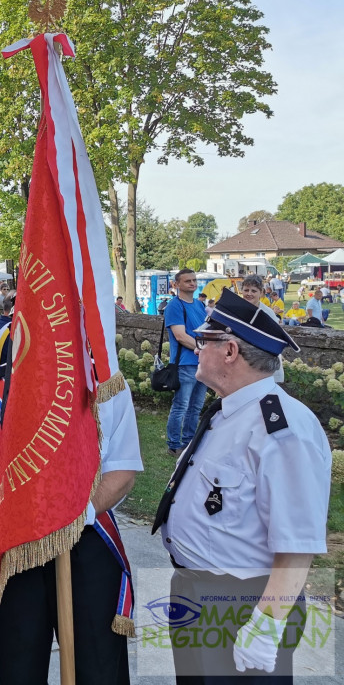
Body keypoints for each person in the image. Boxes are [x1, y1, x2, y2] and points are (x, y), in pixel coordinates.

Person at [153, 289, 331, 680]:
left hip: (240, 602)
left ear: (230, 351)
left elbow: (297, 544)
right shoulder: (230, 410)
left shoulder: (282, 429)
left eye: (205, 341)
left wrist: (266, 625)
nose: (197, 349)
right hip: (197, 593)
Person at [0, 365, 142, 683]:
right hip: (18, 546)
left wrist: (74, 516)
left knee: (99, 666)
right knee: (20, 667)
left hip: (88, 540)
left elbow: (123, 470)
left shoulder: (107, 384)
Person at [163, 268, 208, 456]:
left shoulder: (199, 305)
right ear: (177, 284)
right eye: (188, 281)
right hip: (185, 363)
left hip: (201, 363)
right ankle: (174, 444)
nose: (192, 283)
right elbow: (180, 336)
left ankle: (189, 442)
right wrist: (202, 348)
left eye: (194, 280)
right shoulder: (174, 306)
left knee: (196, 406)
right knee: (181, 405)